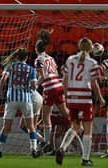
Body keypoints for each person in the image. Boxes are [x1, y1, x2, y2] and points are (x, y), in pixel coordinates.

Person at [56, 37, 105, 166]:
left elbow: (64, 81)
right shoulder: (92, 62)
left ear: (78, 46)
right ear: (90, 49)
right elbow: (94, 84)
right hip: (84, 98)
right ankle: (85, 159)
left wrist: (66, 97)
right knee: (87, 130)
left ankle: (62, 148)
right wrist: (100, 98)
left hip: (72, 97)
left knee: (75, 127)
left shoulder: (70, 60)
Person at [0, 47, 41, 158]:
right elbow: (34, 86)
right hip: (26, 99)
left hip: (12, 99)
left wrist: (0, 91)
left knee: (6, 127)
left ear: (17, 56)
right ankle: (34, 149)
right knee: (31, 127)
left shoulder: (10, 66)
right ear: (26, 57)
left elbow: (3, 79)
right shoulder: (31, 69)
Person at [34, 29, 69, 153]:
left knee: (46, 116)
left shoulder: (38, 60)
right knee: (65, 113)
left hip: (50, 88)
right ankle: (78, 127)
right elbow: (55, 71)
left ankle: (48, 143)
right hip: (58, 85)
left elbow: (43, 76)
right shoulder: (51, 58)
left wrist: (34, 85)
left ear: (36, 49)